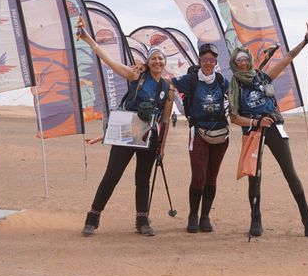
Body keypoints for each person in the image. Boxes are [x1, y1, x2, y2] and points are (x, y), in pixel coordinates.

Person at [78, 30, 174, 237]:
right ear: (148, 62)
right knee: (112, 174)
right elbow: (110, 62)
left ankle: (142, 221)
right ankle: (92, 218)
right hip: (127, 130)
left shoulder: (168, 88)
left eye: (160, 58)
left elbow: (165, 120)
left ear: (165, 62)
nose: (157, 62)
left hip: (150, 135)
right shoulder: (136, 76)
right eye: (154, 58)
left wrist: (162, 146)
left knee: (143, 178)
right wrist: (88, 39)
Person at [229, 22, 308, 238]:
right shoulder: (235, 85)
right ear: (234, 63)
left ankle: (307, 219)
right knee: (254, 176)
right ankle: (255, 220)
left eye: (245, 59)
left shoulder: (263, 76)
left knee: (290, 173)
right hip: (253, 132)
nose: (243, 63)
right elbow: (234, 117)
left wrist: (304, 42)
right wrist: (255, 123)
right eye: (239, 60)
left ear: (250, 60)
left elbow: (287, 59)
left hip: (274, 128)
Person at [170, 43, 230, 233]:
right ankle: (193, 215)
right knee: (198, 176)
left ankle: (205, 217)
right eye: (205, 59)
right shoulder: (191, 79)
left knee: (212, 177)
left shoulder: (222, 81)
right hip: (198, 133)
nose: (208, 63)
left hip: (220, 135)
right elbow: (169, 83)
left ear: (216, 61)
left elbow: (236, 96)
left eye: (212, 59)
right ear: (200, 60)